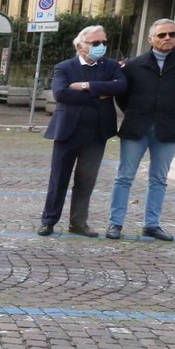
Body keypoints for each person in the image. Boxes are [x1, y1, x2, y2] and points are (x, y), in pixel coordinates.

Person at [38, 25, 125, 237]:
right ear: (80, 46)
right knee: (58, 179)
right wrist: (100, 91)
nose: (101, 46)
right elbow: (61, 94)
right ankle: (48, 220)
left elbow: (121, 86)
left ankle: (78, 222)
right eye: (96, 43)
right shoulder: (64, 67)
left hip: (97, 133)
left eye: (104, 42)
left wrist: (86, 85)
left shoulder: (111, 66)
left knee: (86, 181)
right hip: (68, 131)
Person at [106, 19, 175, 241]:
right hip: (136, 128)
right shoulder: (133, 65)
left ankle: (152, 224)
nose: (167, 38)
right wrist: (134, 112)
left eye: (172, 34)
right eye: (161, 35)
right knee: (124, 177)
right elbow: (121, 94)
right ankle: (115, 223)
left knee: (159, 178)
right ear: (151, 39)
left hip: (168, 130)